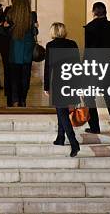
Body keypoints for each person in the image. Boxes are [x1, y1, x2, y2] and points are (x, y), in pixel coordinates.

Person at [84, 1, 110, 144]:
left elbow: (88, 52)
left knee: (89, 98)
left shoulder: (89, 28)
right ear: (106, 12)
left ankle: (95, 126)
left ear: (94, 12)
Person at [44, 22, 81, 157]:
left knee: (62, 112)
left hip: (58, 82)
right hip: (72, 81)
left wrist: (46, 86)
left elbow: (48, 68)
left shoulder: (50, 45)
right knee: (62, 111)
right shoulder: (72, 44)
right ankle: (60, 138)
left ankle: (73, 142)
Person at [2, 0, 38, 107]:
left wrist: (4, 27)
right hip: (27, 50)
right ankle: (23, 100)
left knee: (13, 77)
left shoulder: (9, 12)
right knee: (25, 77)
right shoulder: (32, 15)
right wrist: (36, 27)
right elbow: (34, 32)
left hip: (13, 49)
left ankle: (15, 100)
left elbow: (3, 32)